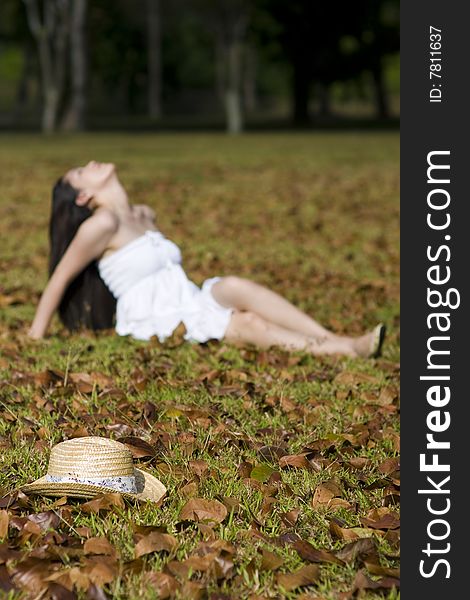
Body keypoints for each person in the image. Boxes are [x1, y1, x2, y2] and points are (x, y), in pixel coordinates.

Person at [28, 161, 385, 358]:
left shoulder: (143, 214)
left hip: (187, 297)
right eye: (80, 172)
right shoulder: (101, 224)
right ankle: (345, 349)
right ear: (83, 196)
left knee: (235, 286)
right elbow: (60, 278)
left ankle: (327, 336)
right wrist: (34, 339)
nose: (89, 163)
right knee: (247, 324)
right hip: (154, 315)